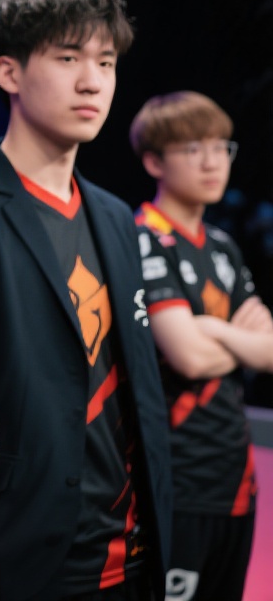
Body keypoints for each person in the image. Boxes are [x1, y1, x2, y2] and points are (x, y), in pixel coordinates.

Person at [0, 0, 173, 601]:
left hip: (134, 550)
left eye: (106, 62)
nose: (93, 81)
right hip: (18, 557)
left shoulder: (115, 215)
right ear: (9, 72)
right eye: (67, 58)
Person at [130, 91, 272, 601]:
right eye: (193, 149)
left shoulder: (223, 246)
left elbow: (270, 351)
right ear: (154, 162)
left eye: (220, 147)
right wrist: (239, 338)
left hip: (237, 481)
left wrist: (210, 328)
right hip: (178, 480)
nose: (213, 162)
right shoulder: (142, 237)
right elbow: (187, 357)